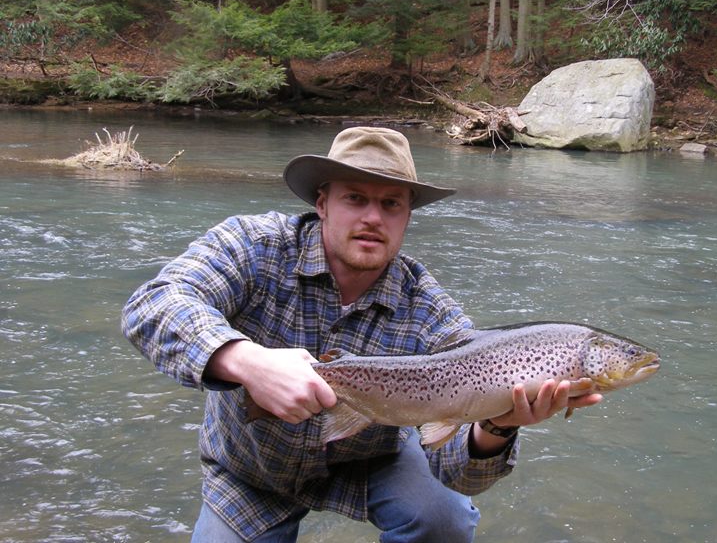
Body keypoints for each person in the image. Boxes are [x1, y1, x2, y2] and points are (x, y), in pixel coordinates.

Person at [121, 126, 602, 542]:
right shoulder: (253, 246)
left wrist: (497, 426)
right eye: (355, 198)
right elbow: (153, 305)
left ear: (407, 217)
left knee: (445, 519)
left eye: (391, 204)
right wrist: (247, 362)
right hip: (252, 472)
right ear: (323, 203)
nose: (373, 217)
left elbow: (459, 473)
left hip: (375, 458)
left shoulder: (430, 311)